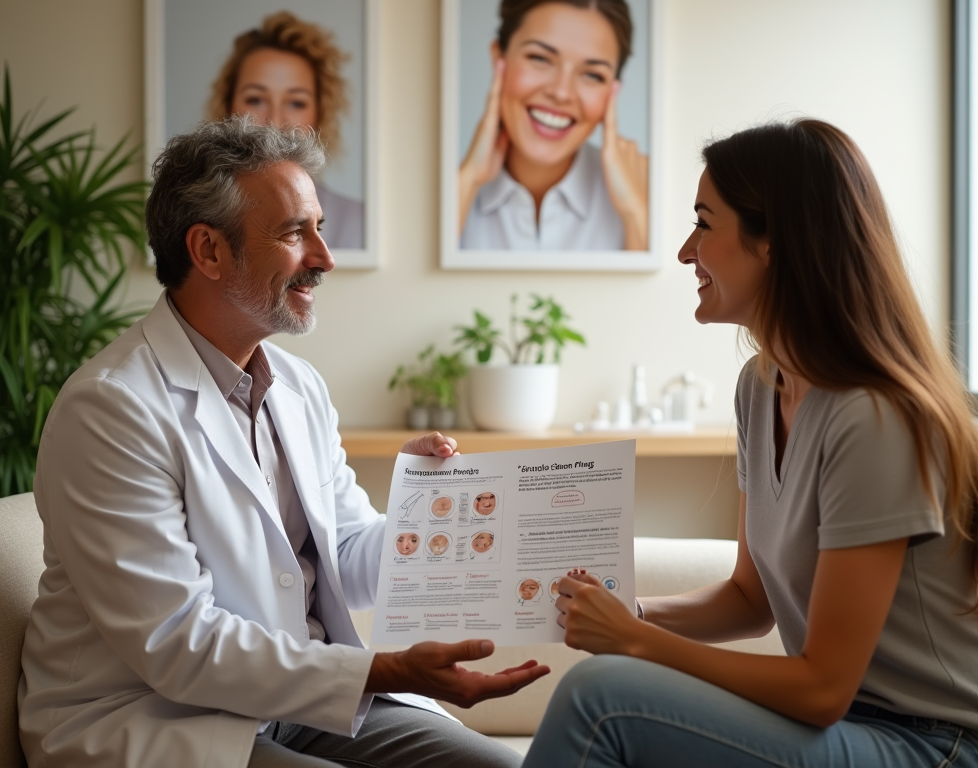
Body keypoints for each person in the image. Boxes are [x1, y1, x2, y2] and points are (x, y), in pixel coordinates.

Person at [18, 116, 549, 768]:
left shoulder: (298, 388)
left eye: (319, 228)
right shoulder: (110, 409)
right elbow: (175, 641)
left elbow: (347, 556)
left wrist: (423, 507)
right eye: (296, 233)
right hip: (156, 716)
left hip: (295, 705)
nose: (324, 257)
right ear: (209, 251)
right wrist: (384, 670)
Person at [523, 119, 978, 767]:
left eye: (704, 223)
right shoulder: (760, 388)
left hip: (943, 745)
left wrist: (634, 641)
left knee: (603, 697)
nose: (684, 251)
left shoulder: (874, 419)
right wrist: (633, 611)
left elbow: (821, 688)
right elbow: (749, 599)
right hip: (851, 732)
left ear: (773, 244)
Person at [459, 0, 648, 251]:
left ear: (613, 91)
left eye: (593, 74)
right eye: (540, 58)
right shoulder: (439, 188)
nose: (561, 92)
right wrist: (467, 180)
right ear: (498, 59)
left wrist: (635, 211)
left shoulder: (653, 189)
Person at [208, 11, 365, 249]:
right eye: (256, 99)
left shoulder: (357, 224)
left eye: (296, 103)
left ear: (320, 113)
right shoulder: (197, 216)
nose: (274, 121)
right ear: (228, 106)